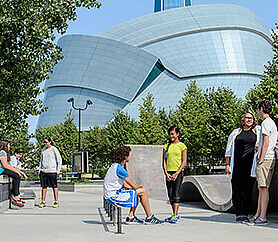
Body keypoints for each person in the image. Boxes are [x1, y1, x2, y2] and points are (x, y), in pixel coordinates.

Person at [103, 145, 164, 225]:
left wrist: (134, 189)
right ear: (125, 156)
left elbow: (125, 185)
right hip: (113, 196)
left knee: (136, 193)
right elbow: (133, 186)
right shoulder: (120, 169)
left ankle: (131, 217)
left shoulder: (114, 166)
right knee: (143, 191)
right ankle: (149, 217)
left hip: (109, 194)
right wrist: (140, 186)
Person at [225, 111, 260, 222]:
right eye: (247, 118)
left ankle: (245, 213)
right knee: (236, 190)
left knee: (248, 190)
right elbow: (228, 149)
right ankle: (238, 214)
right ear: (243, 120)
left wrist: (258, 144)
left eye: (251, 118)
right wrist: (227, 164)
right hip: (237, 166)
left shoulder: (257, 131)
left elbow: (266, 139)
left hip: (250, 167)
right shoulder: (236, 132)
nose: (249, 120)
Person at [249, 100, 278, 226]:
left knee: (263, 187)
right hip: (270, 157)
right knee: (261, 187)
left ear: (261, 108)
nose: (256, 111)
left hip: (265, 159)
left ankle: (262, 216)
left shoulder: (266, 123)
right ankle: (258, 214)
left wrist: (261, 158)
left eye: (257, 109)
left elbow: (266, 142)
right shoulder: (271, 123)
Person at [163, 125, 187, 223]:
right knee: (170, 194)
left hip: (178, 172)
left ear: (177, 134)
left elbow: (184, 161)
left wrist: (177, 173)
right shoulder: (166, 146)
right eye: (170, 134)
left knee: (176, 193)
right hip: (169, 173)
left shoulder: (182, 146)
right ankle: (173, 214)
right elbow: (164, 161)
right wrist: (166, 173)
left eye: (173, 134)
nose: (171, 136)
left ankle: (176, 215)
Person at [39, 137, 62, 209]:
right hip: (44, 171)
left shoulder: (54, 149)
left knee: (54, 186)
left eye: (46, 142)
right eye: (44, 142)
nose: (45, 144)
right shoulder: (43, 150)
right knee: (44, 186)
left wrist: (58, 170)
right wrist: (40, 169)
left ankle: (56, 201)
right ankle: (43, 201)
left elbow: (59, 159)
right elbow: (41, 160)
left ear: (50, 142)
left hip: (52, 171)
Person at [0, 140, 24, 207]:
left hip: (4, 169)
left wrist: (17, 170)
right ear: (5, 145)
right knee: (16, 175)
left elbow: (10, 166)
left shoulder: (5, 153)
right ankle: (15, 196)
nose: (9, 147)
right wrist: (15, 171)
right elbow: (5, 165)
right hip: (1, 170)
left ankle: (17, 194)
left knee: (17, 175)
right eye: (9, 145)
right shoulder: (2, 152)